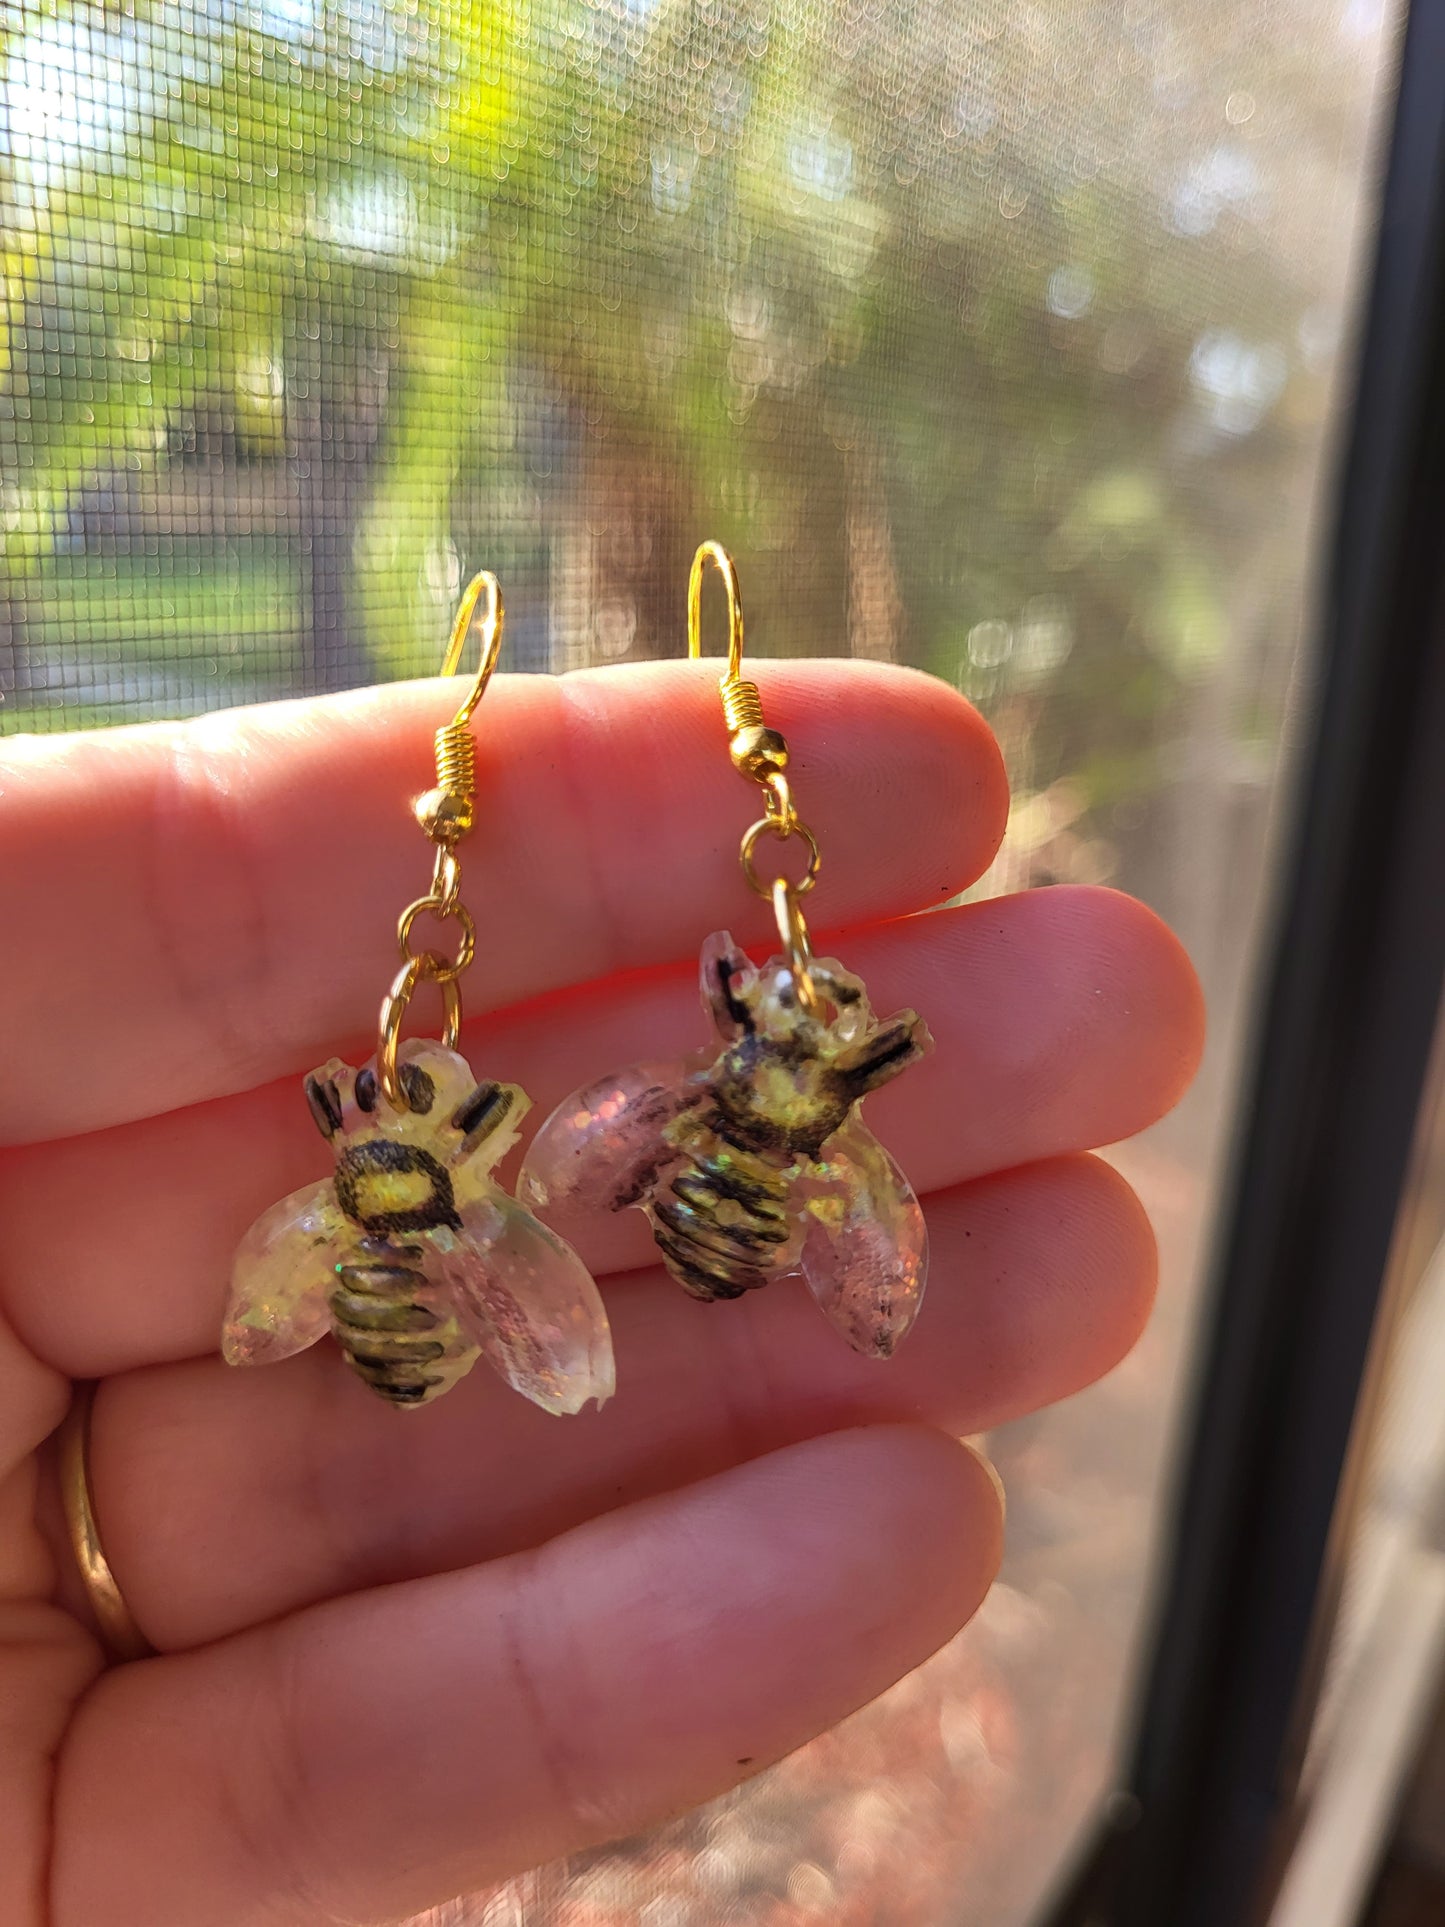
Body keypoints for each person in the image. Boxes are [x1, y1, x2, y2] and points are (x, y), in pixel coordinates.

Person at [0, 657, 1203, 1926]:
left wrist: (569, 1177)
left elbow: (568, 1164)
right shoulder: (692, 1147)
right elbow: (563, 1169)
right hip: (554, 1253)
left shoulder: (381, 1191)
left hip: (581, 1238)